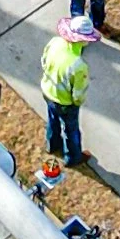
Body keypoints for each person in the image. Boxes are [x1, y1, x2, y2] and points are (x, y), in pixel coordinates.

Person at [40, 12, 99, 169]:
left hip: (47, 92)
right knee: (71, 129)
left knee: (52, 121)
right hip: (65, 102)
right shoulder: (79, 65)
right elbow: (78, 93)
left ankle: (52, 145)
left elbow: (44, 62)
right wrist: (76, 103)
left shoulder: (54, 43)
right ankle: (72, 157)